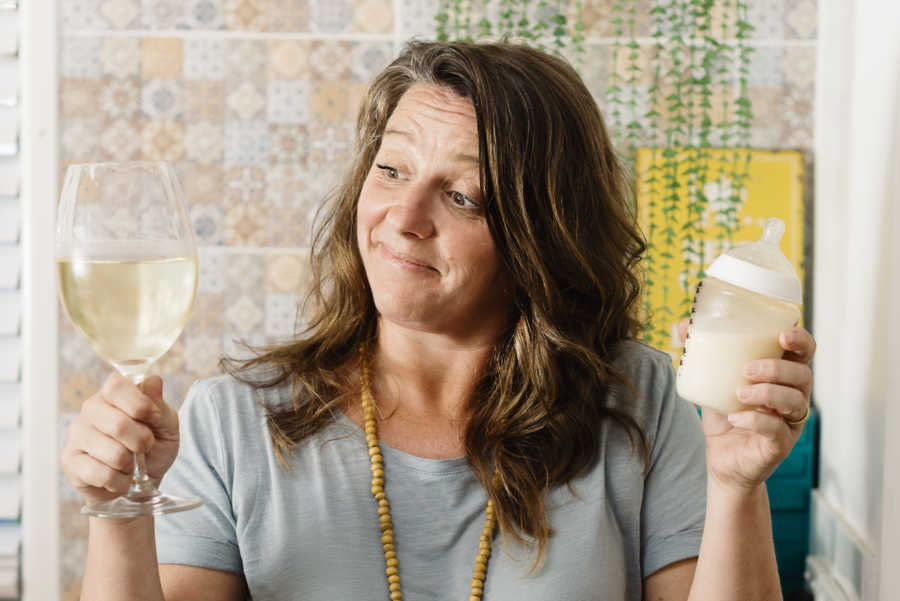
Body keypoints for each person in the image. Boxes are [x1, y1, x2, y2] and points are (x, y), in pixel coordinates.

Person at [62, 40, 816, 601]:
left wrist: (737, 484)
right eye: (391, 171)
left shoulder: (644, 400)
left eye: (463, 196)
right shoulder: (235, 421)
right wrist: (115, 513)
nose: (403, 217)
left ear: (540, 236)